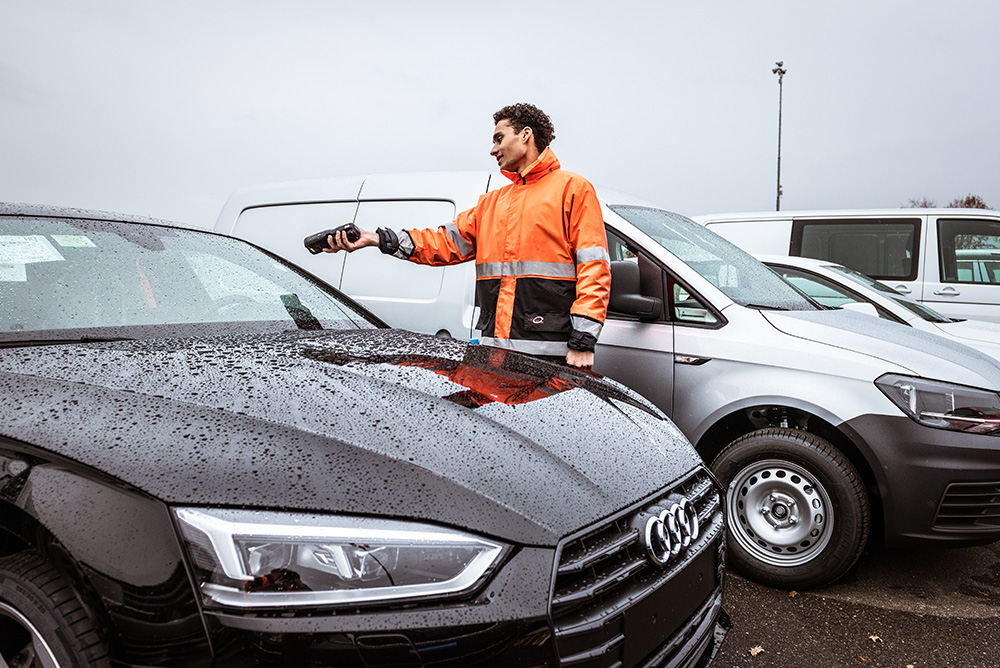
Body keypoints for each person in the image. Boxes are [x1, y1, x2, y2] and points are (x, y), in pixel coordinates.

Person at [323, 103, 610, 369]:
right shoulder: (491, 203)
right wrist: (376, 238)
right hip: (494, 356)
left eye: (499, 138)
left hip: (552, 358)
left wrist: (583, 340)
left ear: (525, 135)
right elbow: (441, 243)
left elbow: (594, 267)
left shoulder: (573, 189)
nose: (493, 150)